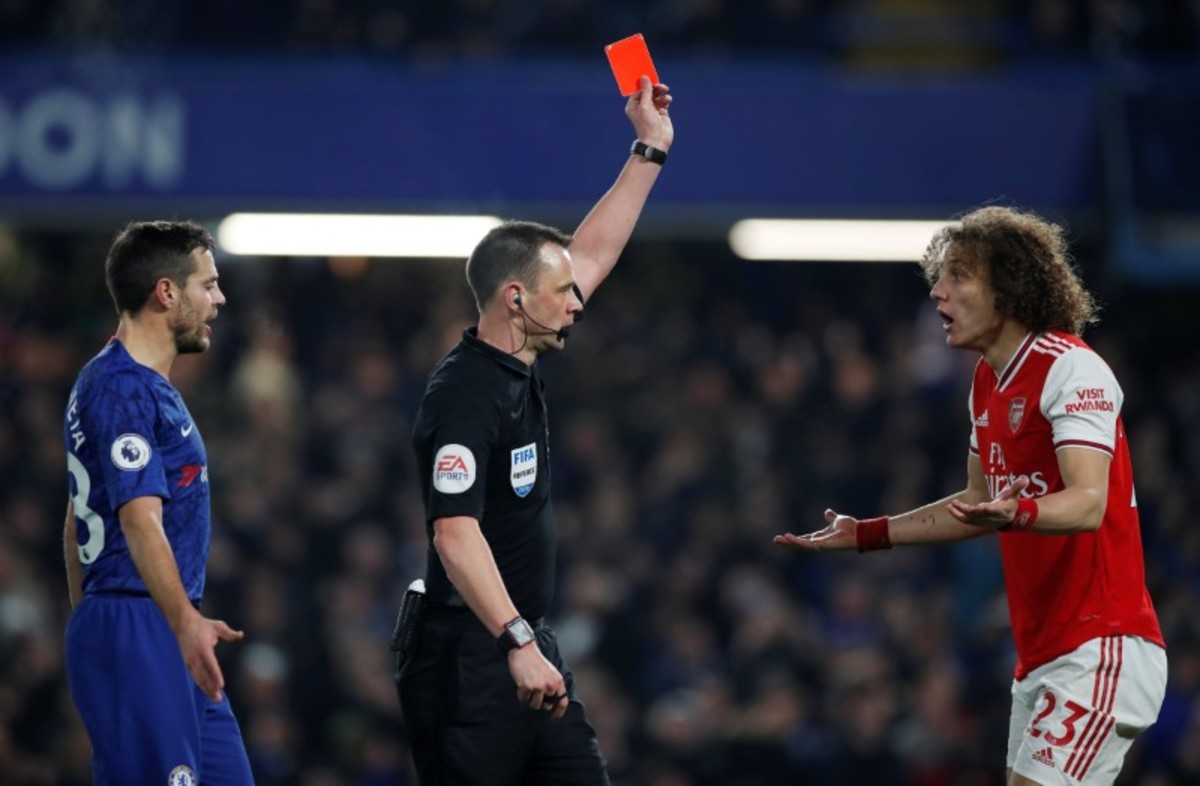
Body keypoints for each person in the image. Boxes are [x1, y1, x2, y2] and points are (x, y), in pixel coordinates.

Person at [775, 206, 1166, 786]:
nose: (937, 292)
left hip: (1101, 645)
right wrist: (868, 534)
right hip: (1042, 656)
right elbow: (976, 504)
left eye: (958, 275)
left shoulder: (1072, 369)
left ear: (1008, 286)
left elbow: (1089, 502)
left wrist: (1020, 511)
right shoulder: (987, 383)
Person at [397, 75, 673, 784]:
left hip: (521, 642)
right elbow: (454, 534)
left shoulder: (518, 356)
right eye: (562, 294)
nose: (578, 304)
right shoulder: (464, 395)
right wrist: (516, 641)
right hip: (472, 658)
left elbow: (594, 254)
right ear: (516, 299)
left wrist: (649, 149)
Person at [62, 220, 254, 785]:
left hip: (155, 623)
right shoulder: (120, 386)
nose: (219, 298)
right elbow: (140, 520)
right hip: (140, 619)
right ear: (166, 292)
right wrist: (135, 632)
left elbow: (74, 524)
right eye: (208, 284)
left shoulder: (137, 385)